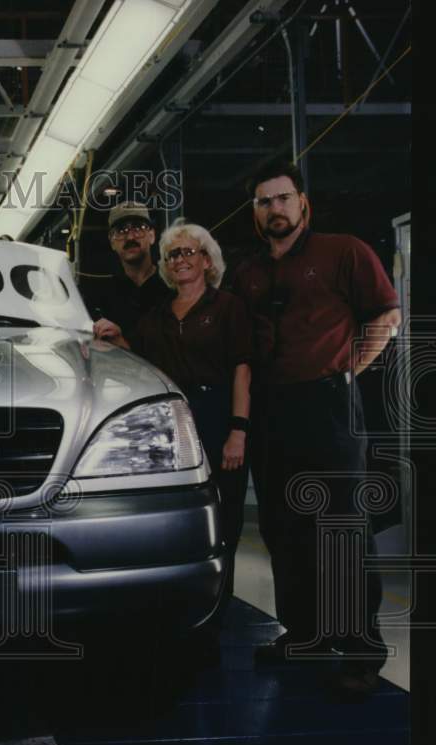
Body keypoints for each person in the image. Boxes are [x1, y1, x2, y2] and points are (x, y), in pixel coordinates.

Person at [233, 158, 401, 696]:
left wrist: (348, 369)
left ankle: (360, 653)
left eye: (283, 198)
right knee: (285, 528)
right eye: (264, 201)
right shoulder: (248, 272)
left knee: (342, 528)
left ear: (302, 202)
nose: (274, 209)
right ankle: (304, 634)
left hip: (327, 404)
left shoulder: (343, 251)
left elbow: (385, 316)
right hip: (270, 409)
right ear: (255, 212)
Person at [93, 219, 252, 662]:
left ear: (206, 259)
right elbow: (139, 356)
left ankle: (217, 616)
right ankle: (186, 617)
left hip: (220, 416)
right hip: (177, 422)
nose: (180, 260)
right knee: (187, 522)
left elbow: (242, 368)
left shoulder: (228, 307)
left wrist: (239, 429)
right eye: (172, 255)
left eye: (188, 252)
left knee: (226, 522)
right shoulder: (158, 316)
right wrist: (112, 338)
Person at [79, 201, 172, 345]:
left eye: (138, 228)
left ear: (152, 235)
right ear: (112, 242)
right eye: (121, 231)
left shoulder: (172, 286)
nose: (130, 237)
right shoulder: (102, 297)